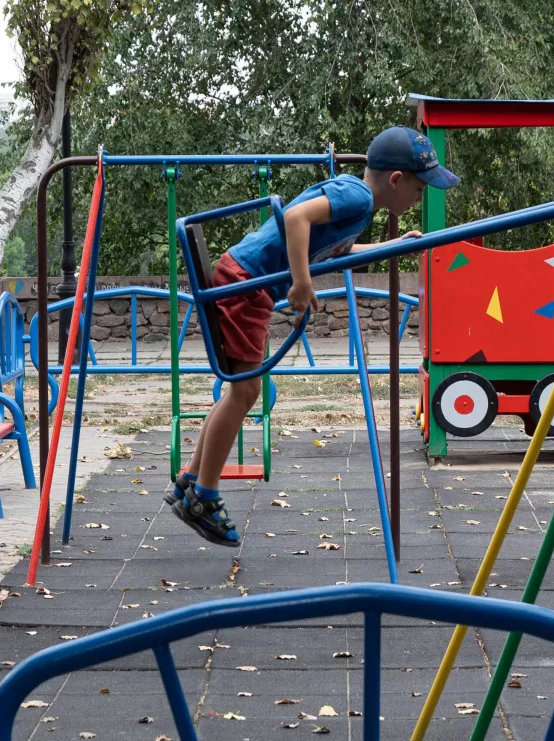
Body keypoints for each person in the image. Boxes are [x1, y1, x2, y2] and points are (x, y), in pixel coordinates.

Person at [167, 126, 459, 546]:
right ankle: (203, 496)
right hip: (248, 282)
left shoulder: (358, 207)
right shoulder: (356, 197)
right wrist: (302, 283)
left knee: (239, 391)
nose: (418, 198)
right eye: (418, 188)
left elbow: (335, 250)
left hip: (245, 277)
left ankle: (190, 481)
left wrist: (393, 244)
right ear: (396, 179)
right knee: (244, 393)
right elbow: (294, 218)